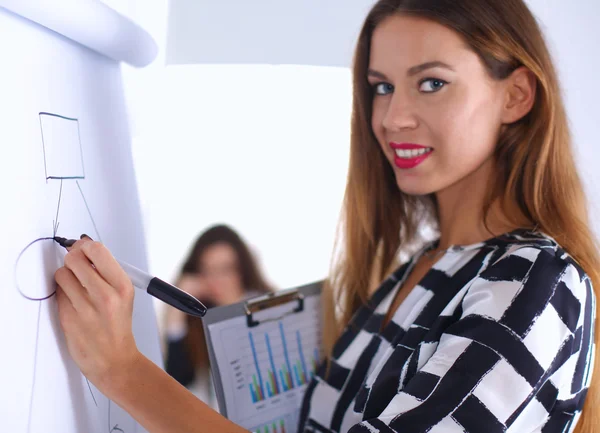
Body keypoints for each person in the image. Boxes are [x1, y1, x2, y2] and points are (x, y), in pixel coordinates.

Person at [53, 0, 600, 432]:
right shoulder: (413, 269)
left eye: (431, 82)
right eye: (381, 86)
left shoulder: (533, 280)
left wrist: (121, 369)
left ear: (517, 96)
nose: (392, 116)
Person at [163, 224, 274, 407]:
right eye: (208, 271)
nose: (216, 281)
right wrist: (176, 311)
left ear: (242, 270)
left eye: (226, 269)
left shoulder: (267, 309)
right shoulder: (200, 320)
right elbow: (178, 379)